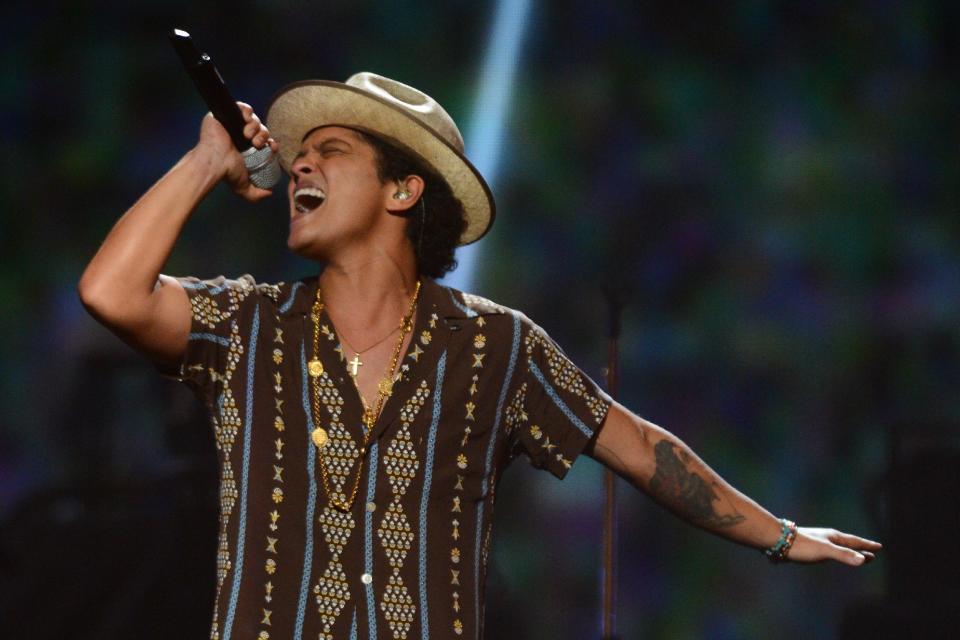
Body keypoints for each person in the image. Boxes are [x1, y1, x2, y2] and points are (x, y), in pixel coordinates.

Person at [79, 72, 881, 640]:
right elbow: (112, 294)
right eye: (299, 154)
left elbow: (642, 449)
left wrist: (778, 534)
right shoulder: (249, 321)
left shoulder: (498, 345)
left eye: (331, 150)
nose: (300, 165)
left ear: (403, 190)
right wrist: (205, 161)